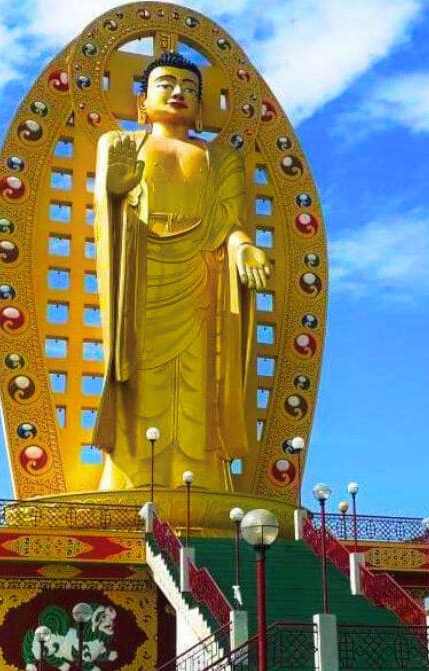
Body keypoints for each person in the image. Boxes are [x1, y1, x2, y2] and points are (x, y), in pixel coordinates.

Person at [92, 51, 271, 493]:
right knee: (137, 375)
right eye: (166, 84)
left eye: (190, 88)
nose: (178, 93)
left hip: (201, 272)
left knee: (199, 381)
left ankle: (202, 478)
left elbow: (228, 221)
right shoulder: (120, 143)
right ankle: (129, 477)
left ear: (201, 106)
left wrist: (244, 246)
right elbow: (107, 214)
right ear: (142, 101)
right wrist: (114, 194)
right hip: (140, 273)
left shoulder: (221, 158)